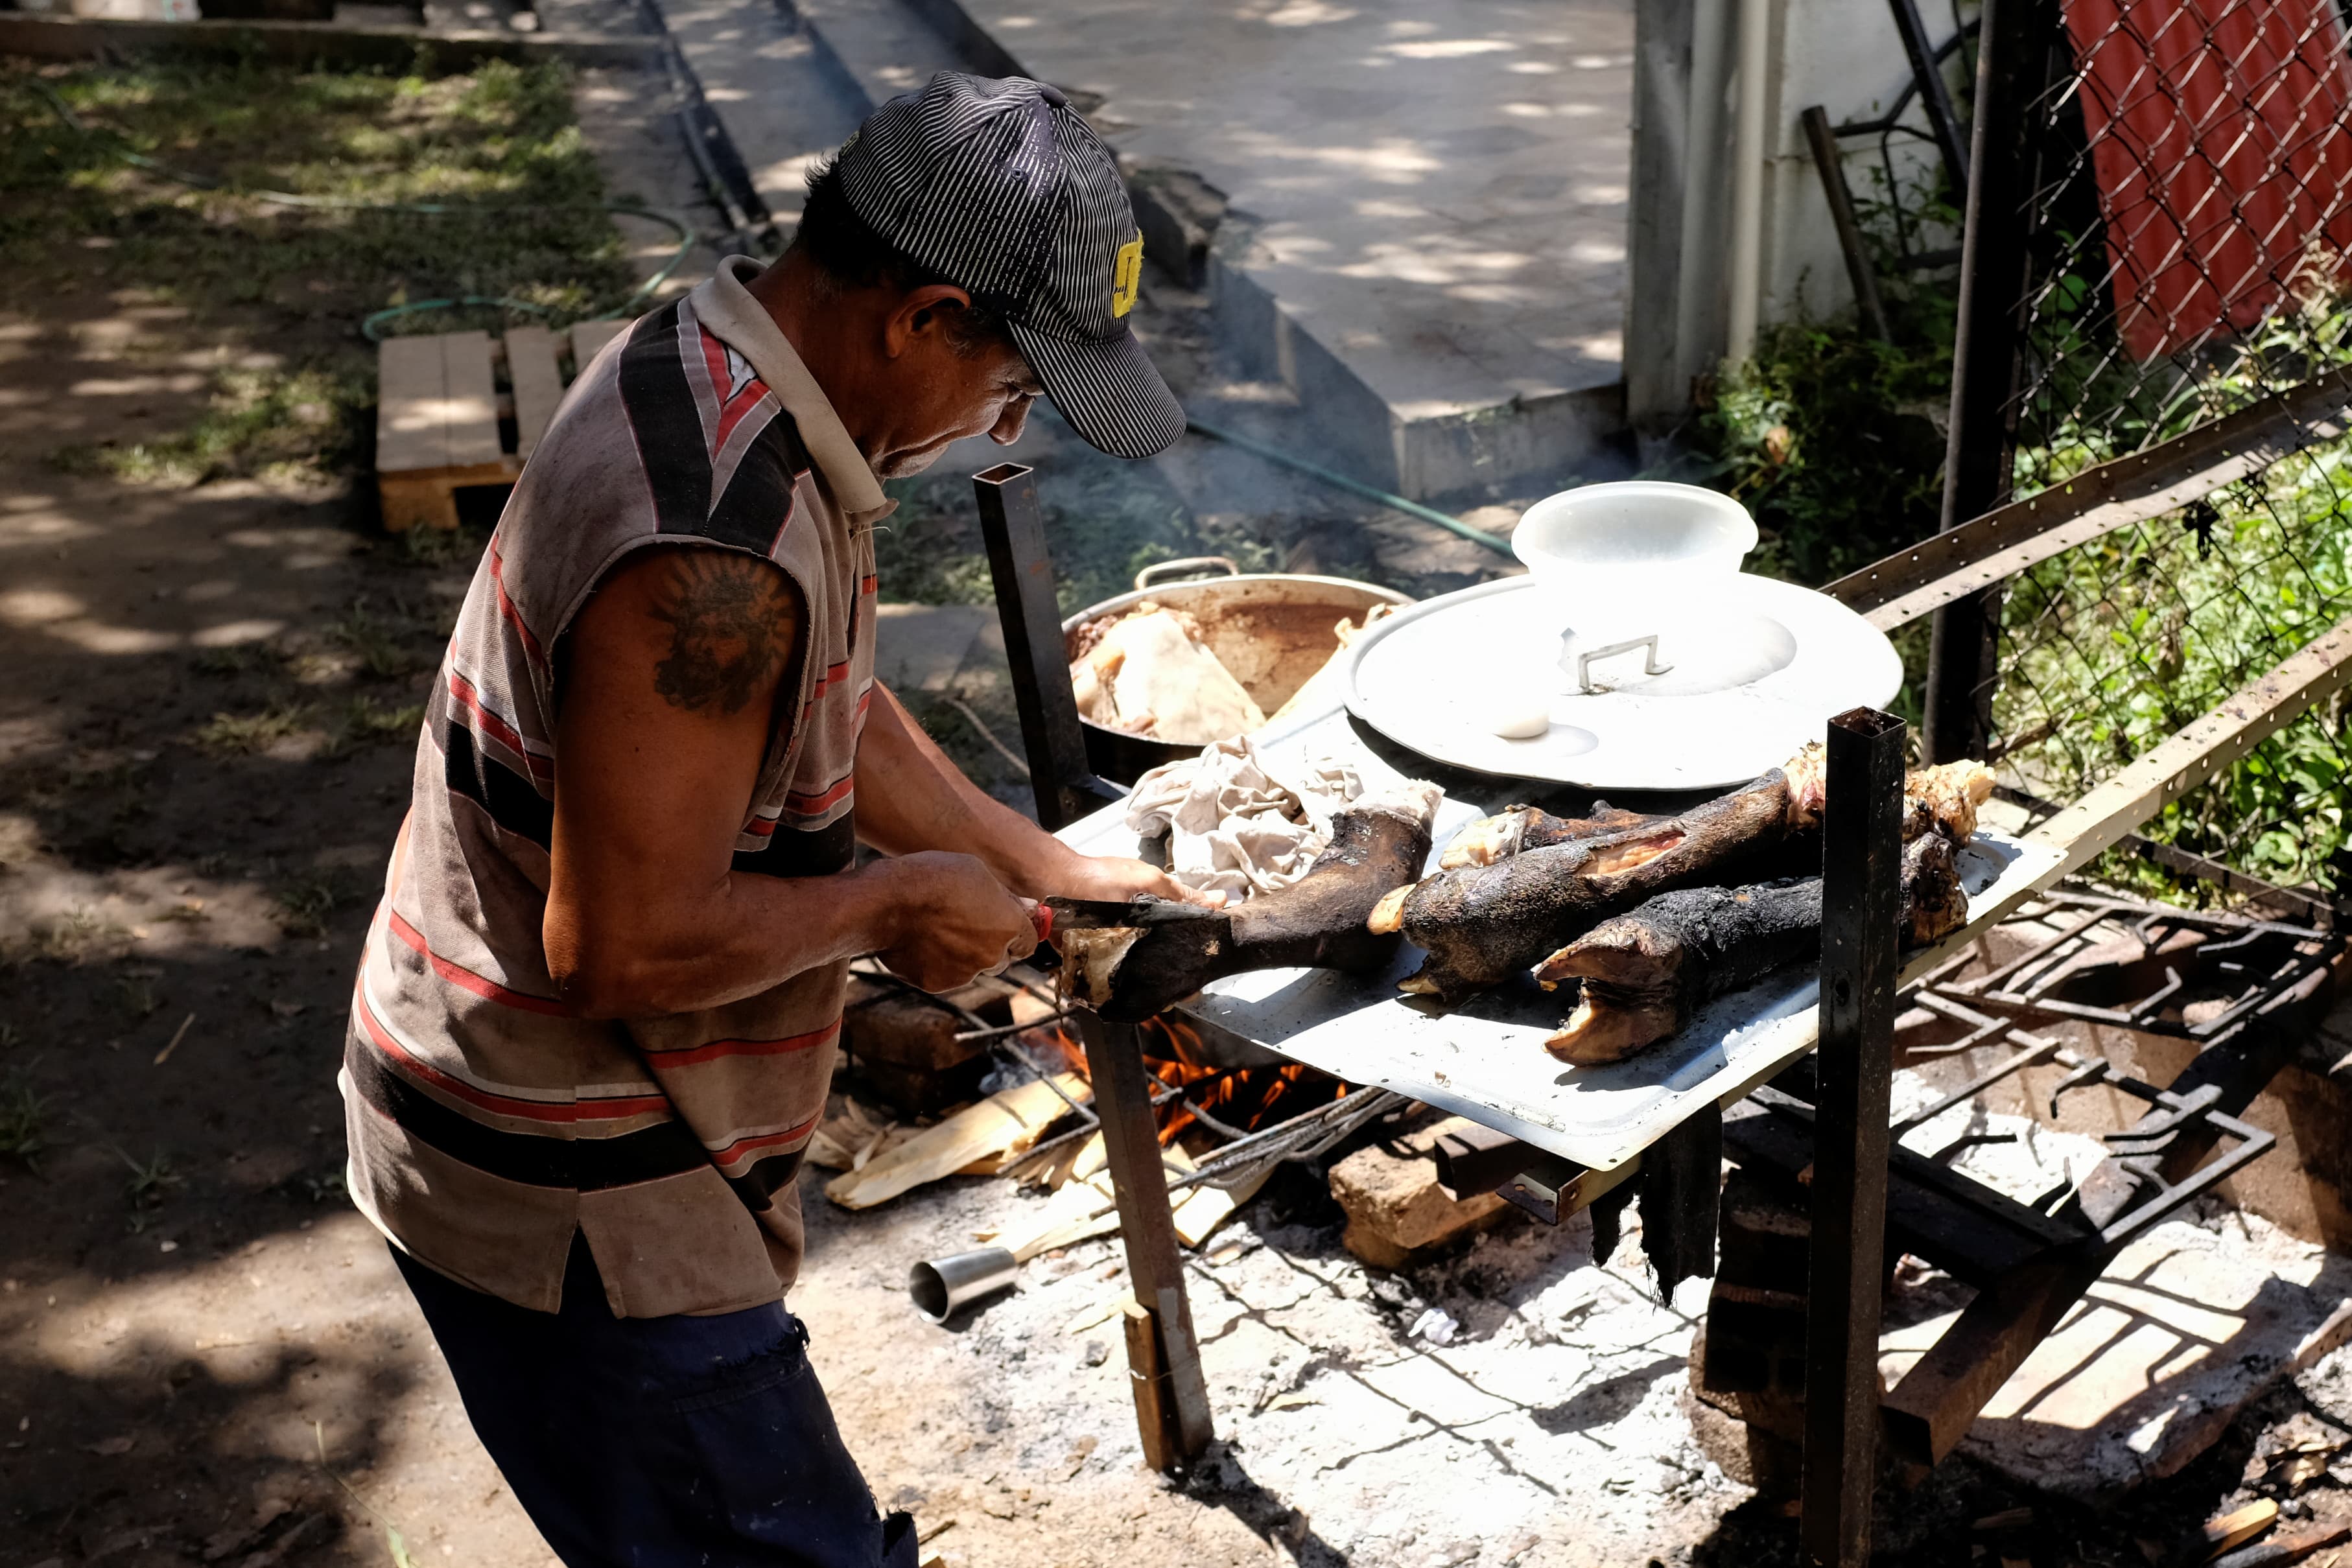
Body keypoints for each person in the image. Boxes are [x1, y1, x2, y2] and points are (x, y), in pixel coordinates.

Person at [340, 72, 1201, 1567]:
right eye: (1012, 383)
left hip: (616, 1132)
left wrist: (1030, 858)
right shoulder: (706, 544)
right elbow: (618, 946)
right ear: (925, 316)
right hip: (575, 1180)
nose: (1004, 419)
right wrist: (886, 906)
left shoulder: (721, 369)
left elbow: (828, 697)